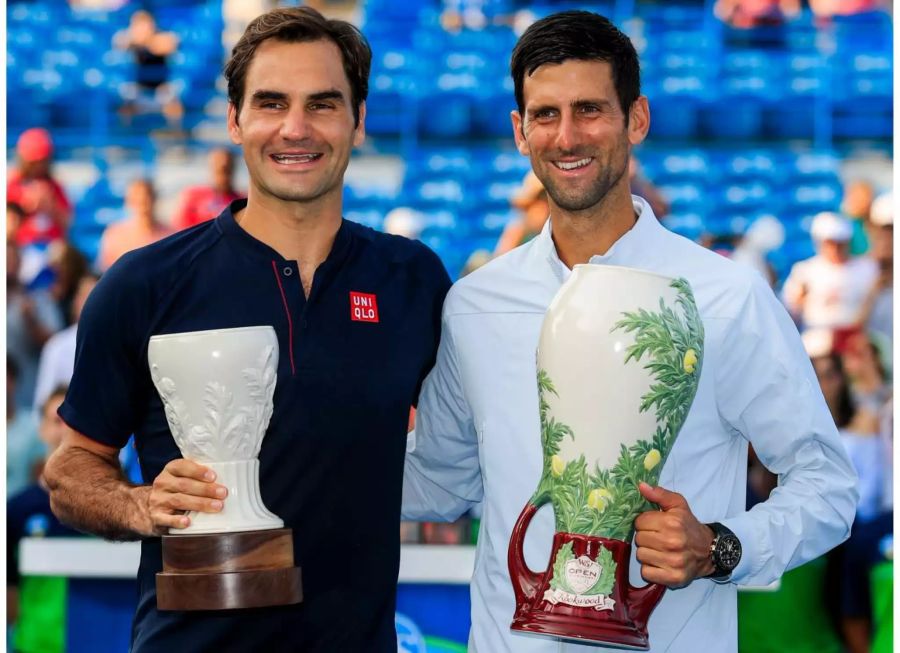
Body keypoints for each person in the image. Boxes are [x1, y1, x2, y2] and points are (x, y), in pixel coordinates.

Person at [401, 12, 857, 652]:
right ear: (519, 130)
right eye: (545, 114)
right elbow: (438, 481)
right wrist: (287, 454)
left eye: (589, 109)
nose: (566, 136)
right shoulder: (476, 304)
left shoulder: (725, 298)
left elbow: (827, 484)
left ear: (635, 119)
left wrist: (722, 546)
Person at [43, 7, 449, 652]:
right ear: (234, 120)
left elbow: (471, 448)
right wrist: (141, 504)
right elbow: (71, 472)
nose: (295, 128)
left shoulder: (413, 281)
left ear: (359, 120)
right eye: (270, 103)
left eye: (323, 103)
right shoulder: (145, 284)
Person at [7, 386, 81, 653]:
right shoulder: (16, 510)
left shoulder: (111, 510)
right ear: (42, 429)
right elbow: (9, 591)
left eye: (75, 421)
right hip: (34, 645)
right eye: (57, 420)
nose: (65, 431)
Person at [782, 211, 879, 332]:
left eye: (840, 243)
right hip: (816, 339)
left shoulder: (868, 268)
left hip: (858, 338)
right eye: (830, 243)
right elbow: (790, 311)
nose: (835, 249)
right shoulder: (804, 271)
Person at [33, 274, 99, 414]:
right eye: (84, 296)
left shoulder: (123, 341)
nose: (90, 302)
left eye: (96, 296)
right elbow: (43, 403)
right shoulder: (57, 347)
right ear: (76, 301)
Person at [113, 9, 184, 129]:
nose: (142, 28)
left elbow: (169, 44)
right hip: (139, 87)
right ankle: (127, 139)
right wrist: (138, 40)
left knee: (174, 106)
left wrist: (145, 41)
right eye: (138, 25)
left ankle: (175, 137)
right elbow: (119, 43)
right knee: (125, 107)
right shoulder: (127, 37)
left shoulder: (163, 36)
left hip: (161, 86)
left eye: (145, 24)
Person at [6, 128, 72, 248]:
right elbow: (8, 229)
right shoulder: (13, 185)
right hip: (22, 249)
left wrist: (50, 206)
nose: (39, 166)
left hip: (52, 247)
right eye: (34, 162)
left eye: (42, 161)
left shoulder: (54, 186)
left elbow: (67, 223)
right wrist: (26, 207)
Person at [97, 178, 174, 271]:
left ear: (154, 199)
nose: (143, 205)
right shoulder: (114, 235)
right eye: (137, 200)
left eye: (146, 199)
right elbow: (106, 272)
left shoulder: (171, 235)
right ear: (128, 202)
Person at [172, 148, 245, 231]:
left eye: (227, 170)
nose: (223, 175)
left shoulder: (242, 201)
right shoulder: (193, 196)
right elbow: (179, 228)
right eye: (219, 170)